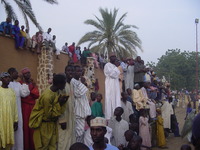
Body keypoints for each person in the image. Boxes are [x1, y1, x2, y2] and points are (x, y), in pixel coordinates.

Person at [29, 74, 68, 150]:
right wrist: (60, 104)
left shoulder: (56, 91)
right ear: (59, 84)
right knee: (44, 146)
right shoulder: (47, 97)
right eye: (64, 83)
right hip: (44, 125)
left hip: (51, 125)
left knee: (52, 146)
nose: (65, 85)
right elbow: (49, 115)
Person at [8, 68, 30, 150]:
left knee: (18, 132)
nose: (18, 75)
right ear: (11, 73)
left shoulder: (18, 84)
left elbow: (25, 93)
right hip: (7, 111)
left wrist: (23, 81)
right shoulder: (4, 83)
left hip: (17, 112)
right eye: (16, 73)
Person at [20, 67, 39, 150]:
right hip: (24, 108)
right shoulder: (20, 83)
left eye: (29, 73)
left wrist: (30, 88)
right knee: (25, 128)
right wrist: (30, 91)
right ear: (23, 75)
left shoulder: (33, 83)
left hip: (32, 108)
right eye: (26, 73)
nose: (28, 75)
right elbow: (24, 96)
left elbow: (36, 94)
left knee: (32, 128)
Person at [70, 65, 91, 142]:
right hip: (78, 113)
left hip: (83, 113)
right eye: (78, 71)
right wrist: (83, 83)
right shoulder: (73, 81)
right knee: (78, 134)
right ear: (74, 72)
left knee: (82, 134)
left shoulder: (79, 81)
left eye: (80, 71)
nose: (80, 73)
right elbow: (78, 93)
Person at [58, 65, 76, 150]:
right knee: (63, 141)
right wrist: (62, 120)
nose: (71, 72)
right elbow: (59, 104)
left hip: (71, 117)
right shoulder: (63, 86)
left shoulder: (71, 84)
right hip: (64, 119)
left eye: (72, 71)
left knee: (70, 140)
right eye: (68, 71)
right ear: (65, 72)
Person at [0, 72, 18, 150]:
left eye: (8, 77)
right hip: (1, 119)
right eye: (5, 77)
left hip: (10, 119)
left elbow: (14, 107)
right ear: (1, 79)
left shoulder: (12, 91)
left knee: (8, 139)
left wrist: (16, 120)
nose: (7, 79)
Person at [104, 53, 121, 120]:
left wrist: (116, 68)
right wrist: (116, 68)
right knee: (110, 100)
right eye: (112, 57)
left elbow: (117, 74)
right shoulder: (107, 65)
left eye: (115, 57)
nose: (114, 58)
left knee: (116, 99)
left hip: (115, 85)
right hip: (110, 85)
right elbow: (112, 74)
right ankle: (109, 117)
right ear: (109, 58)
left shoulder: (114, 66)